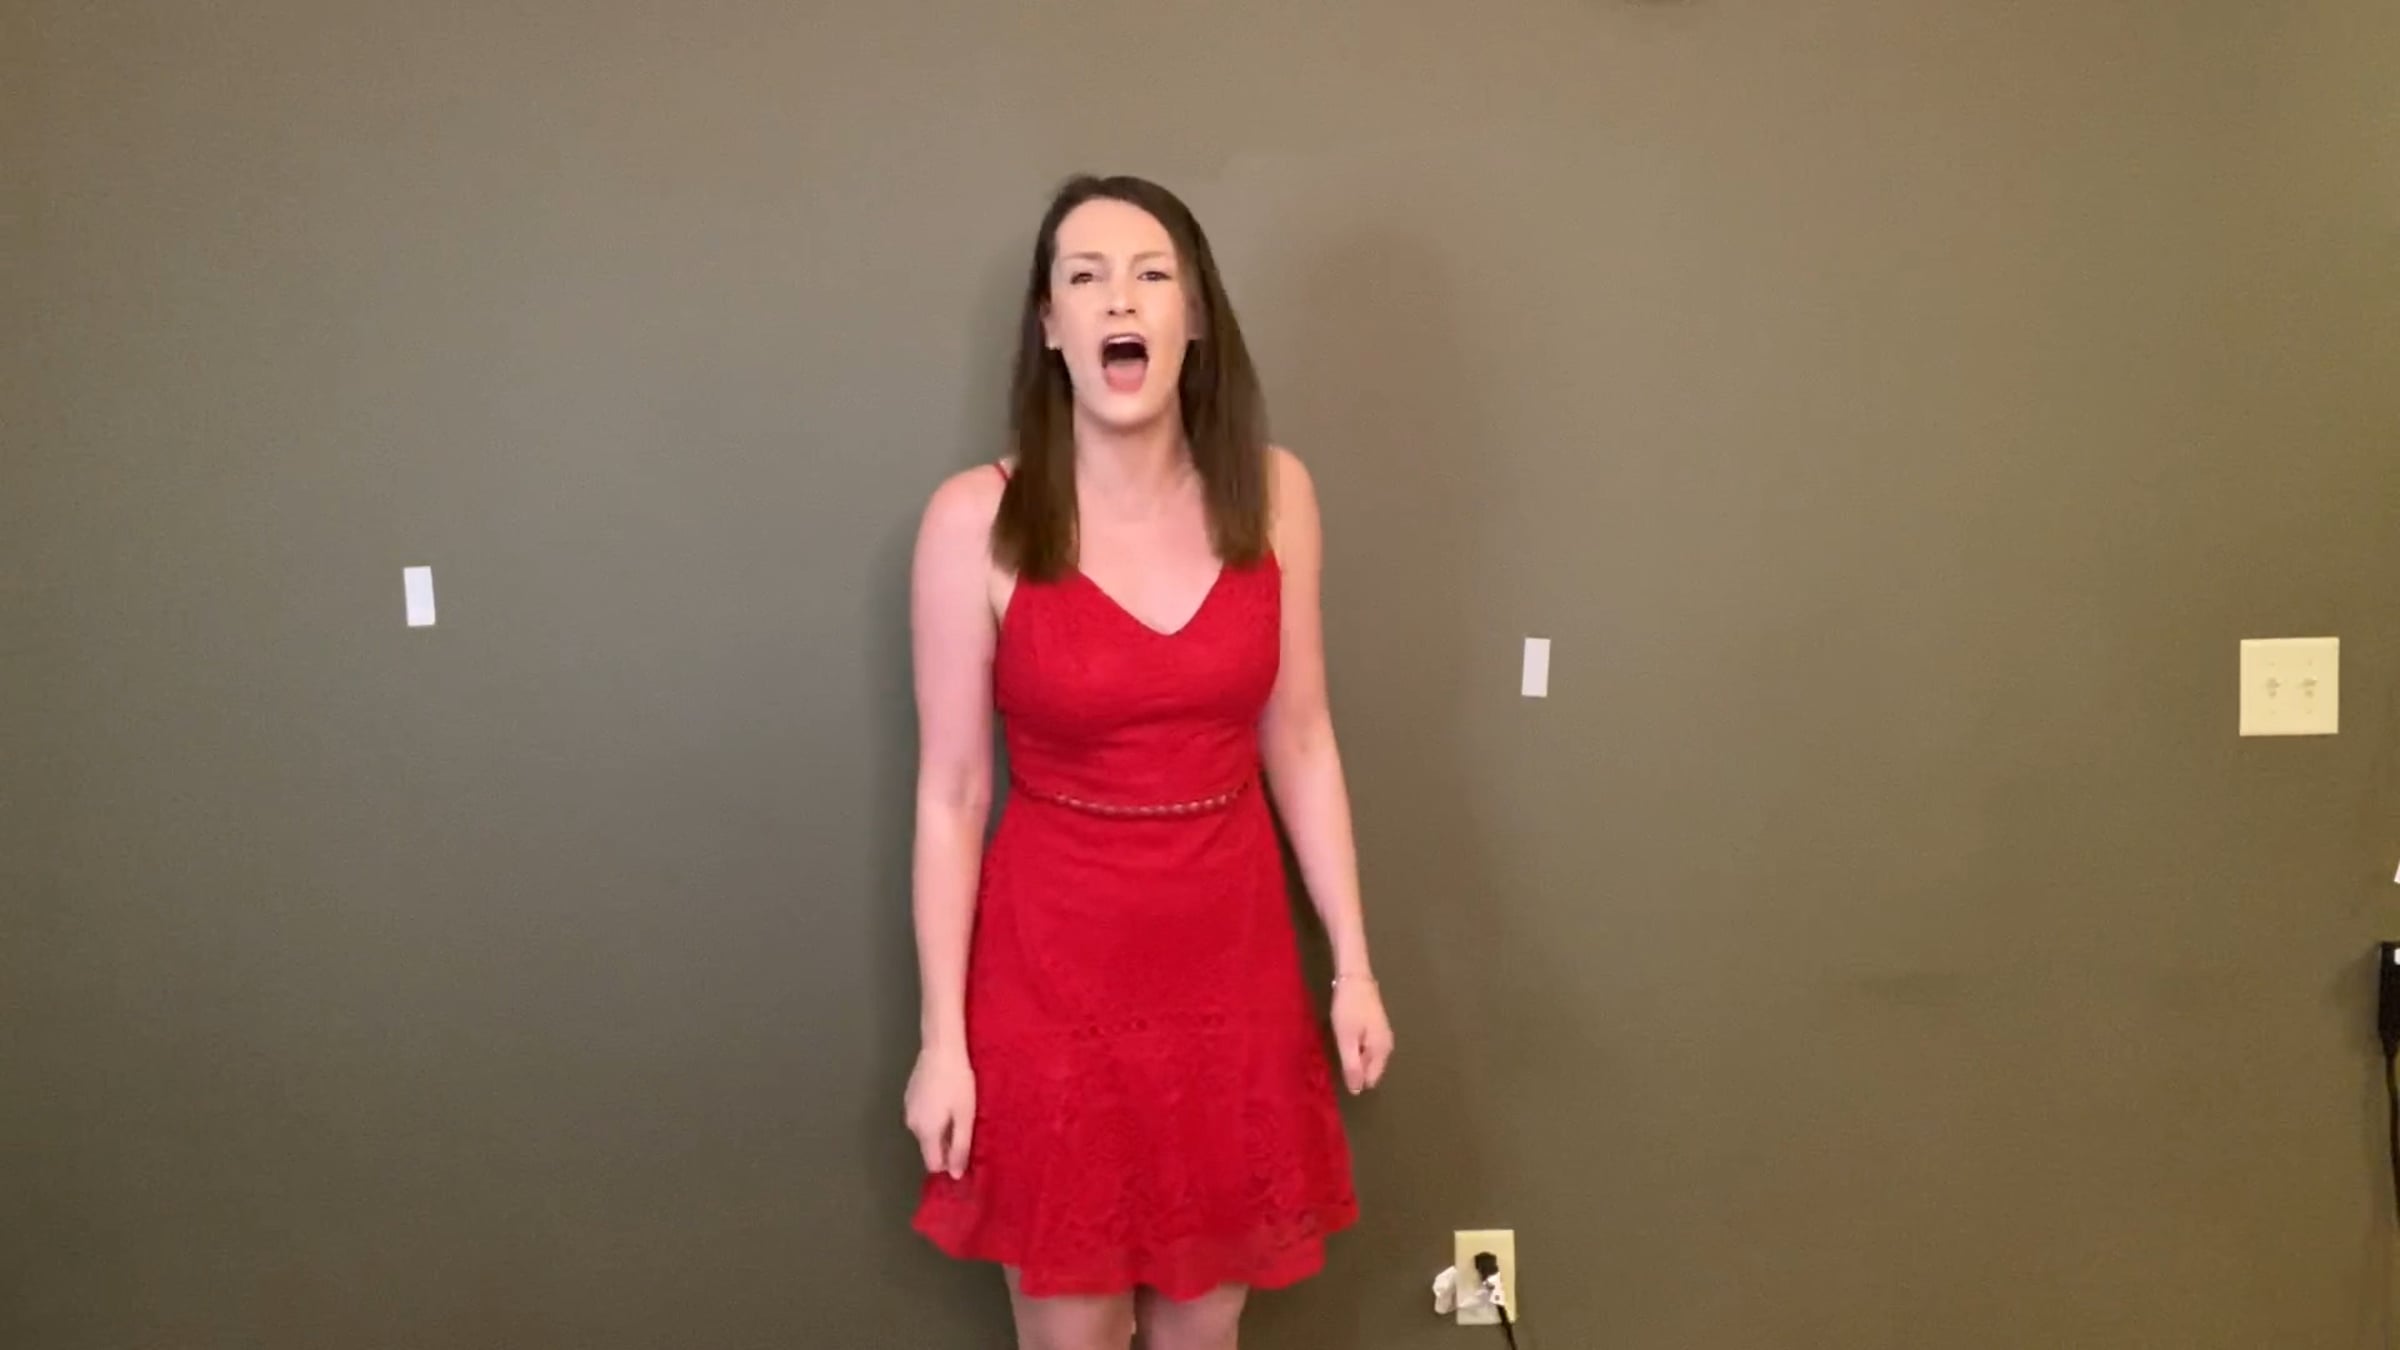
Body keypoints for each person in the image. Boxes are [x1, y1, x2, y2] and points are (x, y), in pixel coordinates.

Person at [903, 174, 1394, 1350]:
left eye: (1151, 273)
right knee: (1071, 1333)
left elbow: (1302, 738)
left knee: (1204, 1331)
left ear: (1196, 316)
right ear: (1052, 326)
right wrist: (942, 1042)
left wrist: (1354, 969)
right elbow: (952, 796)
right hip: (1051, 982)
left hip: (1231, 976)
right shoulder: (973, 520)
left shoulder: (1275, 496)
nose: (1119, 298)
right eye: (1085, 277)